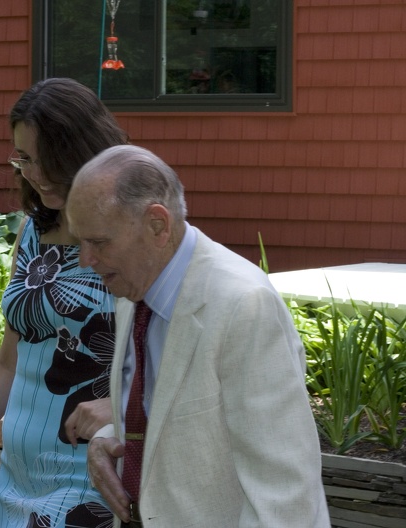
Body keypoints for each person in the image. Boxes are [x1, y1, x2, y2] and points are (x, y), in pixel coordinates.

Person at [66, 144, 331, 528]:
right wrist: (108, 440)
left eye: (98, 242)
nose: (84, 260)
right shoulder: (132, 287)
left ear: (157, 225)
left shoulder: (243, 304)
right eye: (80, 242)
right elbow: (164, 418)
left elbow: (285, 495)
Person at [0, 78, 128, 528]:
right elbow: (7, 363)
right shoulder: (32, 232)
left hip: (91, 472)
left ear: (82, 151)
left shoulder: (128, 236)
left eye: (42, 159)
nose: (31, 173)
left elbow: (173, 358)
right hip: (18, 475)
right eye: (23, 158)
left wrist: (123, 406)